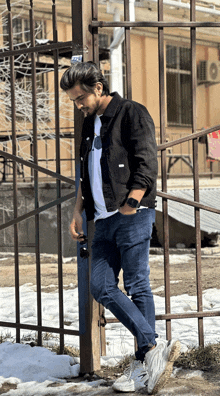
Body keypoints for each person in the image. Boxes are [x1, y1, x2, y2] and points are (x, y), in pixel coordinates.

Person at [60, 61, 181, 394]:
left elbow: (146, 160)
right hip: (101, 219)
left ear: (98, 88)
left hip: (131, 213)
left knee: (138, 283)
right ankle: (154, 348)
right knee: (100, 286)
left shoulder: (131, 113)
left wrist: (132, 202)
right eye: (73, 99)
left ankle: (144, 365)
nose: (78, 104)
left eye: (80, 97)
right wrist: (77, 210)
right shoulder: (88, 124)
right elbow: (85, 172)